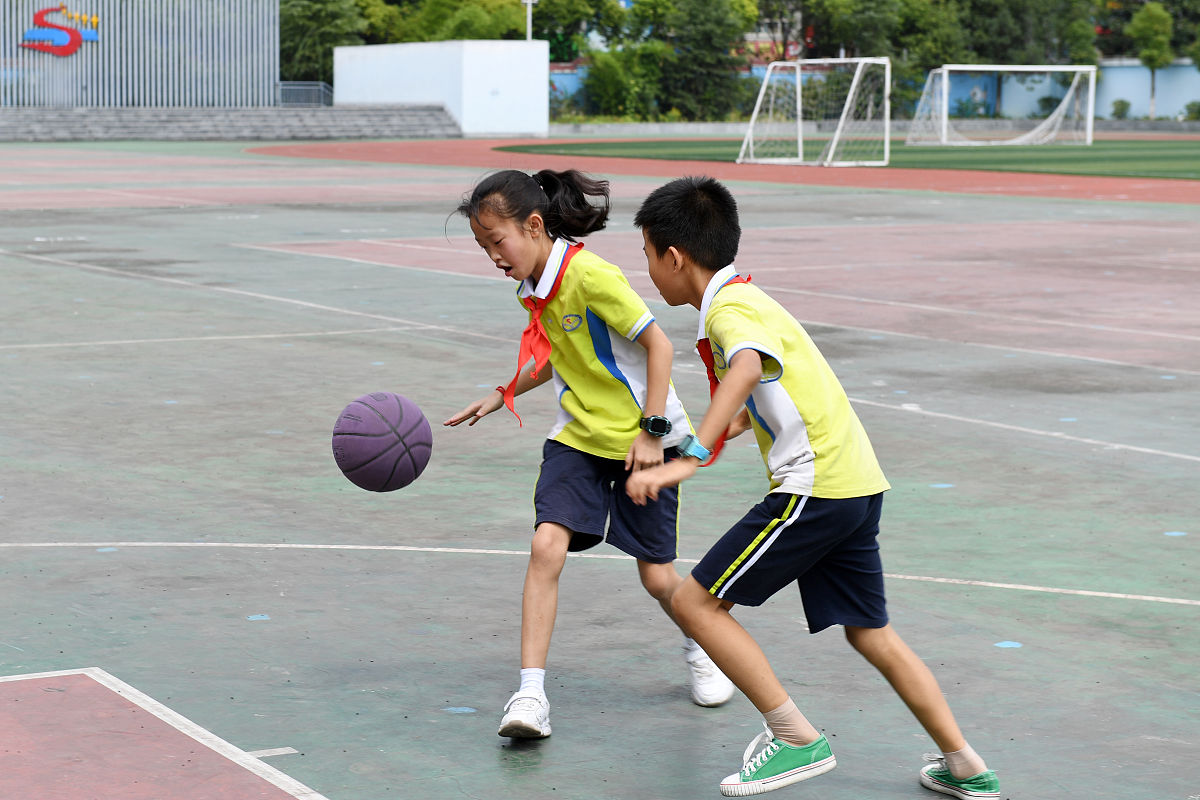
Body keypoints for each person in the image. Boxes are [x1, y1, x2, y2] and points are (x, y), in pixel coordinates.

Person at [625, 176, 1000, 799]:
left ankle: (795, 737)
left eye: (644, 255)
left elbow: (745, 368)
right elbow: (760, 397)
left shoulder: (728, 311)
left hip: (814, 488)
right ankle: (966, 765)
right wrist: (716, 434)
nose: (647, 270)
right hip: (856, 484)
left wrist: (688, 459)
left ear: (674, 256)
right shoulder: (751, 298)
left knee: (694, 604)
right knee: (870, 632)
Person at [444, 168, 734, 740]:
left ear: (533, 226)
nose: (494, 257)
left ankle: (702, 645)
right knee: (545, 546)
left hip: (641, 439)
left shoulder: (590, 275)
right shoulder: (533, 284)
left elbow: (659, 344)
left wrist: (651, 431)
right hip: (577, 437)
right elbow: (559, 353)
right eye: (484, 247)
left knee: (657, 578)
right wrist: (505, 393)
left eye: (496, 242)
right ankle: (530, 696)